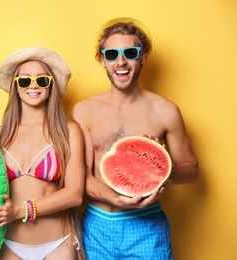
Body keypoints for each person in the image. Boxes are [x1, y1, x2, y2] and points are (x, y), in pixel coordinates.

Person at [72, 18, 199, 259]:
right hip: (98, 227)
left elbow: (192, 170)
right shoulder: (84, 111)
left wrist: (160, 168)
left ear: (142, 57)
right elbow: (79, 176)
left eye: (129, 53)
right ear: (102, 60)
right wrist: (115, 198)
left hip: (147, 227)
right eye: (111, 54)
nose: (121, 62)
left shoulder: (165, 110)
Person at [0, 47, 86, 260]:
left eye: (42, 80)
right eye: (25, 81)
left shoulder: (68, 132)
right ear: (16, 87)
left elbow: (75, 194)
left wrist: (19, 211)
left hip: (58, 246)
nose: (34, 85)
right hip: (9, 245)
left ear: (51, 86)